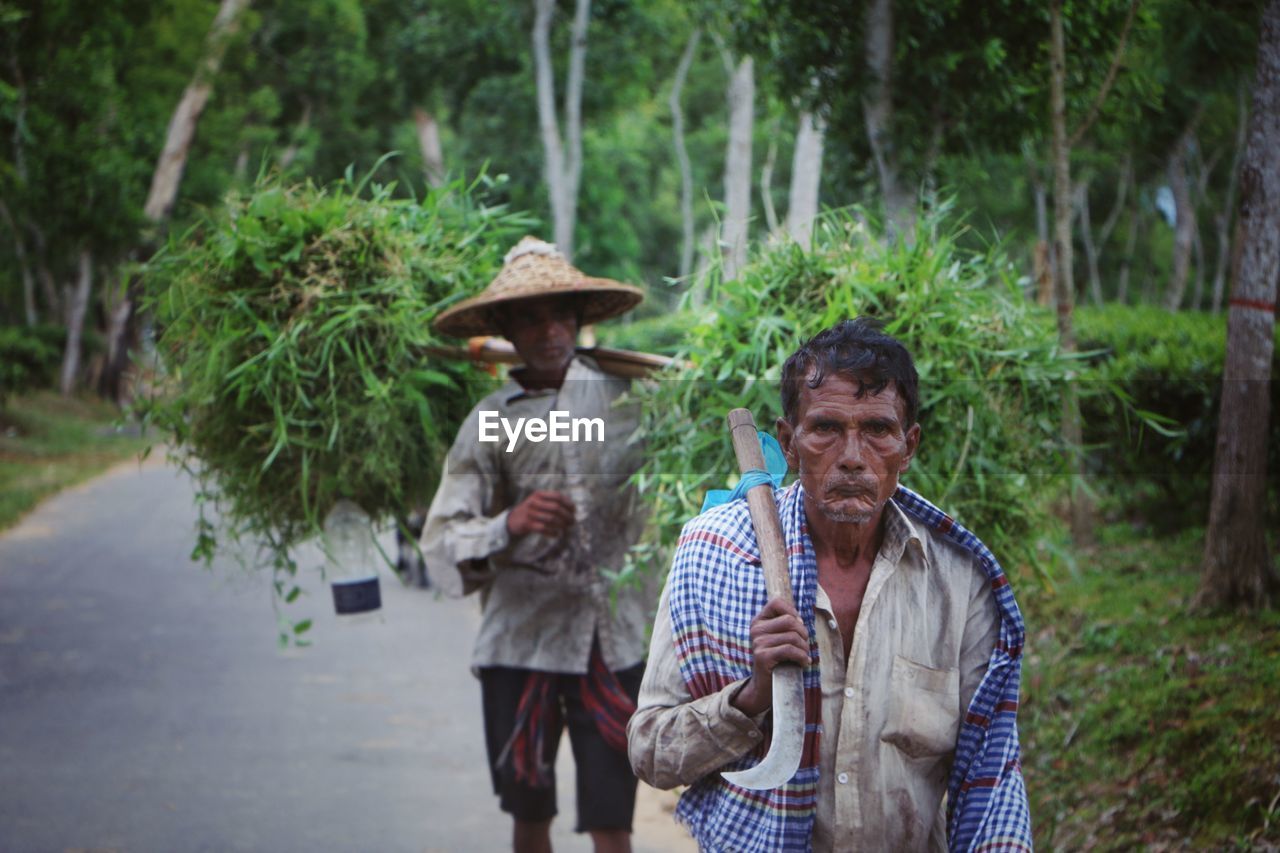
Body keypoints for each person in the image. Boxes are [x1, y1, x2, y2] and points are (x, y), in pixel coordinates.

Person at [627, 318, 1032, 852]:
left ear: (908, 447)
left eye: (878, 431)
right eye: (826, 428)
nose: (852, 457)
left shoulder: (961, 582)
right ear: (788, 443)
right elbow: (651, 752)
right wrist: (750, 698)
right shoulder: (714, 554)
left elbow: (992, 776)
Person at [422, 237, 652, 853]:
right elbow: (441, 544)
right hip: (524, 639)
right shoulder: (490, 421)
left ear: (579, 320)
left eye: (560, 314)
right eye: (529, 316)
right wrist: (511, 523)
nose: (548, 330)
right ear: (505, 328)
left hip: (614, 636)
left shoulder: (630, 400)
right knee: (529, 814)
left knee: (613, 820)